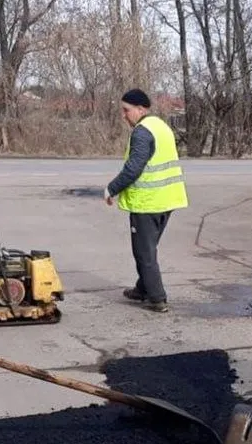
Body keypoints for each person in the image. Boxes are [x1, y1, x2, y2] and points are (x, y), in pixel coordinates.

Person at [103, 88, 188, 313]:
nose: (124, 115)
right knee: (148, 248)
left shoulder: (142, 132)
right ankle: (142, 289)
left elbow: (134, 168)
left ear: (141, 108)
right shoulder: (161, 126)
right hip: (167, 200)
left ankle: (157, 298)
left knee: (143, 252)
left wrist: (111, 188)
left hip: (148, 203)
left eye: (126, 110)